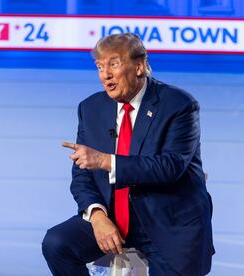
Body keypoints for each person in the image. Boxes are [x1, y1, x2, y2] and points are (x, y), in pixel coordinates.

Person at [42, 33, 214, 276]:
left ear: (139, 66)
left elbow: (170, 167)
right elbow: (82, 176)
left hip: (168, 224)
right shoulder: (91, 108)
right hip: (114, 219)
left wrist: (104, 161)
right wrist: (98, 216)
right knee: (57, 243)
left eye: (113, 64)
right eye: (100, 67)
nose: (105, 74)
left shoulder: (178, 105)